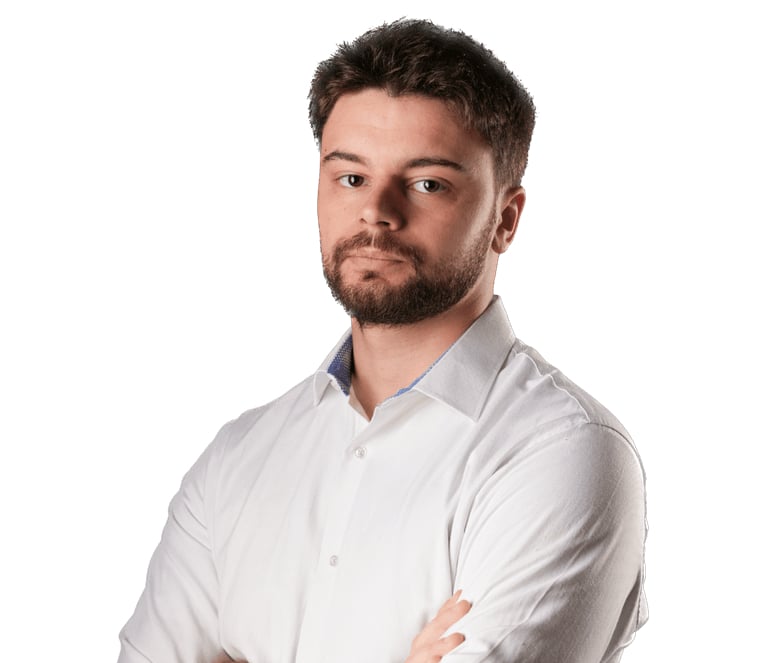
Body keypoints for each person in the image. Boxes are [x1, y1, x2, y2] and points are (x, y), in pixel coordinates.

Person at [118, 18, 647, 663]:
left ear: (505, 220)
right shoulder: (235, 461)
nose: (377, 211)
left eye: (427, 183)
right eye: (351, 177)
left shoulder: (562, 452)